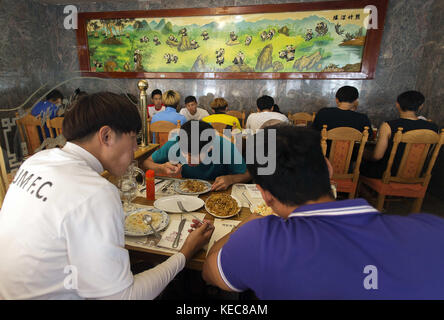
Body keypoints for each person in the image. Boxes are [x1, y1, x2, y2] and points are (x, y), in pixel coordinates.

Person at [0, 92, 213, 299]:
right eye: (134, 139)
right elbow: (124, 297)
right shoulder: (96, 192)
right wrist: (184, 253)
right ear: (107, 135)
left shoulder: (35, 161)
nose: (134, 152)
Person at [202, 125, 444, 299]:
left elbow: (210, 272)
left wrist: (248, 222)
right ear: (329, 168)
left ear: (265, 194)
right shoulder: (433, 230)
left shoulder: (257, 238)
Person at [142, 120, 250, 191]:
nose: (189, 160)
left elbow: (248, 174)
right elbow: (146, 162)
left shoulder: (225, 146)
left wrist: (231, 179)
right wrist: (161, 168)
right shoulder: (176, 143)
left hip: (216, 193)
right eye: (185, 153)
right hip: (186, 192)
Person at [360, 90, 439, 178]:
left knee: (361, 164)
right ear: (420, 106)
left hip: (387, 174)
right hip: (417, 175)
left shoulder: (388, 126)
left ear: (397, 105)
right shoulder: (433, 128)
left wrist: (362, 153)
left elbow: (377, 156)